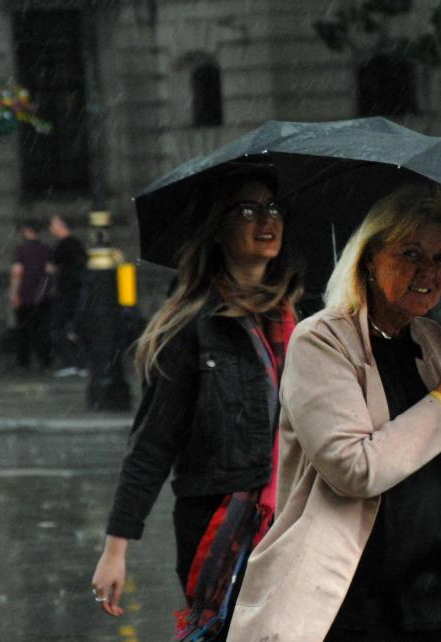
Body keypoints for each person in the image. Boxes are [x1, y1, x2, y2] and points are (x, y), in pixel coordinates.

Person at [228, 182, 441, 641]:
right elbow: (354, 469)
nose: (428, 272)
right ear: (370, 258)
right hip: (354, 607)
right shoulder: (322, 341)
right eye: (410, 253)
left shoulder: (430, 340)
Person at [91, 168, 304, 641]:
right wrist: (116, 548)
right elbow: (151, 445)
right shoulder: (190, 327)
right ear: (219, 227)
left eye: (272, 209)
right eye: (247, 210)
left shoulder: (299, 322)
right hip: (218, 520)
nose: (265, 220)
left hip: (294, 517)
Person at [47, 214, 87, 377]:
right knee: (75, 327)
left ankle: (73, 362)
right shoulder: (76, 244)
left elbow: (51, 268)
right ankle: (80, 363)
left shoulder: (62, 245)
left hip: (67, 292)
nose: (51, 227)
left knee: (58, 328)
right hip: (77, 291)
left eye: (53, 224)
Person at [10, 220, 52, 371]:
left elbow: (17, 273)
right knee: (42, 330)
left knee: (23, 331)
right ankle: (45, 359)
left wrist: (14, 293)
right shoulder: (46, 249)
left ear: (27, 232)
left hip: (25, 295)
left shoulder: (22, 250)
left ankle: (23, 361)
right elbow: (49, 271)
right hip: (41, 295)